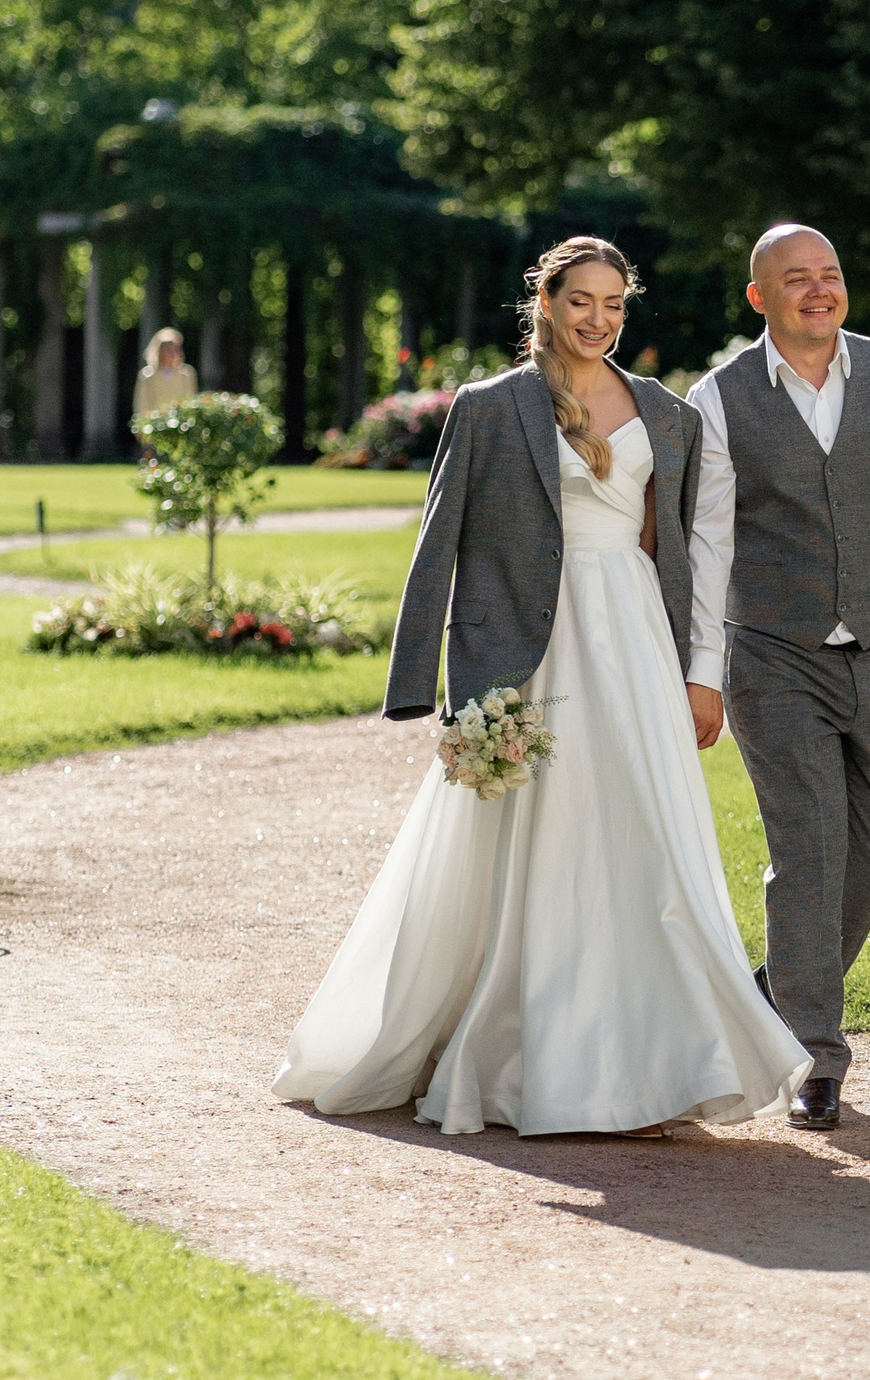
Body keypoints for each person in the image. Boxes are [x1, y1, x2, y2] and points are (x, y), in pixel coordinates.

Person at [274, 237, 809, 1138]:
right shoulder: (491, 408)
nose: (598, 320)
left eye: (614, 304)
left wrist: (696, 671)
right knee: (536, 843)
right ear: (546, 302)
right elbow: (437, 542)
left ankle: (657, 1061)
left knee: (644, 836)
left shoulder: (668, 416)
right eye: (581, 302)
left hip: (633, 643)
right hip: (535, 645)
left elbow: (681, 552)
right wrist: (427, 688)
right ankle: (518, 1050)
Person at [684, 223, 870, 1132]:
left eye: (831, 275)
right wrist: (702, 672)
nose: (819, 291)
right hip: (771, 656)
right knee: (808, 853)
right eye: (796, 279)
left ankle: (778, 985)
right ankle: (816, 1055)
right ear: (758, 296)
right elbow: (708, 544)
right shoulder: (720, 397)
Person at [131, 329, 198, 421]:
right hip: (154, 425)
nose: (172, 353)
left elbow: (191, 401)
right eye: (168, 349)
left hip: (180, 425)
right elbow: (141, 404)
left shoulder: (187, 374)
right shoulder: (147, 376)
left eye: (174, 349)